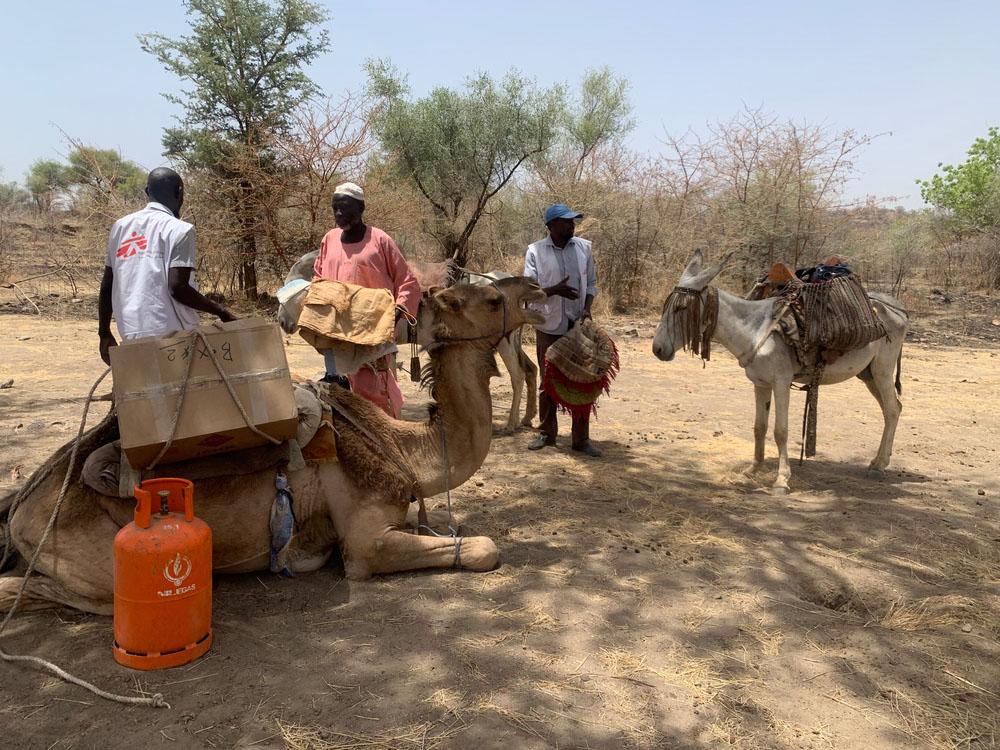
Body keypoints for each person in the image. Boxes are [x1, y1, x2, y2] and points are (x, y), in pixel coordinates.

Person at [98, 167, 235, 364]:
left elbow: (107, 285)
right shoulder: (180, 230)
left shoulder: (120, 227)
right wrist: (221, 312)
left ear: (147, 192)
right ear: (179, 193)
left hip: (131, 330)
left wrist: (104, 333)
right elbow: (178, 288)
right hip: (172, 335)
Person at [312, 182, 421, 417]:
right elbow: (318, 278)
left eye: (345, 207)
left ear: (361, 208)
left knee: (375, 396)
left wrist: (396, 312)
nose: (339, 214)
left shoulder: (380, 240)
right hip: (336, 334)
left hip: (373, 334)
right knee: (340, 394)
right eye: (335, 208)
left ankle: (387, 442)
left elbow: (408, 282)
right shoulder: (329, 239)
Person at [524, 203, 601, 457]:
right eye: (566, 222)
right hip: (548, 325)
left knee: (582, 380)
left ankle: (581, 439)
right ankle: (547, 433)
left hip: (577, 325)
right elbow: (529, 291)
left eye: (573, 221)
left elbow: (590, 283)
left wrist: (587, 309)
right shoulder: (535, 251)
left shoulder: (584, 248)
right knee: (549, 381)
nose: (572, 225)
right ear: (551, 226)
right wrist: (554, 290)